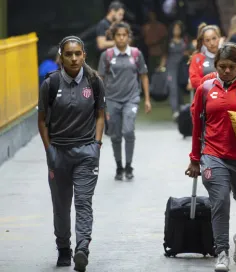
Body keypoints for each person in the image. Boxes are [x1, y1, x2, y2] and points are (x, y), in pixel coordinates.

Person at [185, 42, 236, 271]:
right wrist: (194, 158)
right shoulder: (205, 89)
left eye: (231, 66)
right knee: (220, 202)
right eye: (222, 66)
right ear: (216, 65)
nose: (226, 71)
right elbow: (196, 126)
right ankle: (221, 252)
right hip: (213, 155)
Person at [37, 36, 106, 272]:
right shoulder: (50, 83)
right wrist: (49, 150)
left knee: (84, 202)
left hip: (86, 152)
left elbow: (100, 115)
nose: (74, 58)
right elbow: (42, 121)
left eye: (78, 53)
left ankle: (82, 249)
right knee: (61, 206)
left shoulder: (94, 81)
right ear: (61, 56)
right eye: (69, 54)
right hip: (59, 153)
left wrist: (96, 144)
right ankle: (64, 248)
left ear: (84, 54)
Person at [98, 22, 151, 181]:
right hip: (112, 99)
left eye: (124, 35)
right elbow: (101, 78)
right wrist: (99, 101)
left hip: (131, 98)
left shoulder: (135, 54)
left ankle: (129, 165)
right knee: (115, 135)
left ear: (129, 37)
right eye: (118, 35)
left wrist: (147, 99)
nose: (121, 38)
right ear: (113, 37)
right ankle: (119, 166)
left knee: (128, 131)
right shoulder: (107, 56)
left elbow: (143, 75)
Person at [159, 20, 189, 120]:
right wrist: (161, 67)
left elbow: (190, 52)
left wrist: (187, 54)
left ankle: (181, 107)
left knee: (179, 88)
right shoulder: (168, 41)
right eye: (175, 29)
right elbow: (165, 54)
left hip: (181, 67)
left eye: (178, 29)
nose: (176, 31)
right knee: (172, 88)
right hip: (170, 67)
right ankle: (175, 110)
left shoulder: (185, 40)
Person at [188, 23, 221, 90]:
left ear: (219, 38)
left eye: (214, 38)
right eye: (207, 40)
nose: (211, 43)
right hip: (206, 96)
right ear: (203, 42)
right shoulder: (197, 58)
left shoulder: (228, 55)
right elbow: (194, 81)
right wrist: (213, 86)